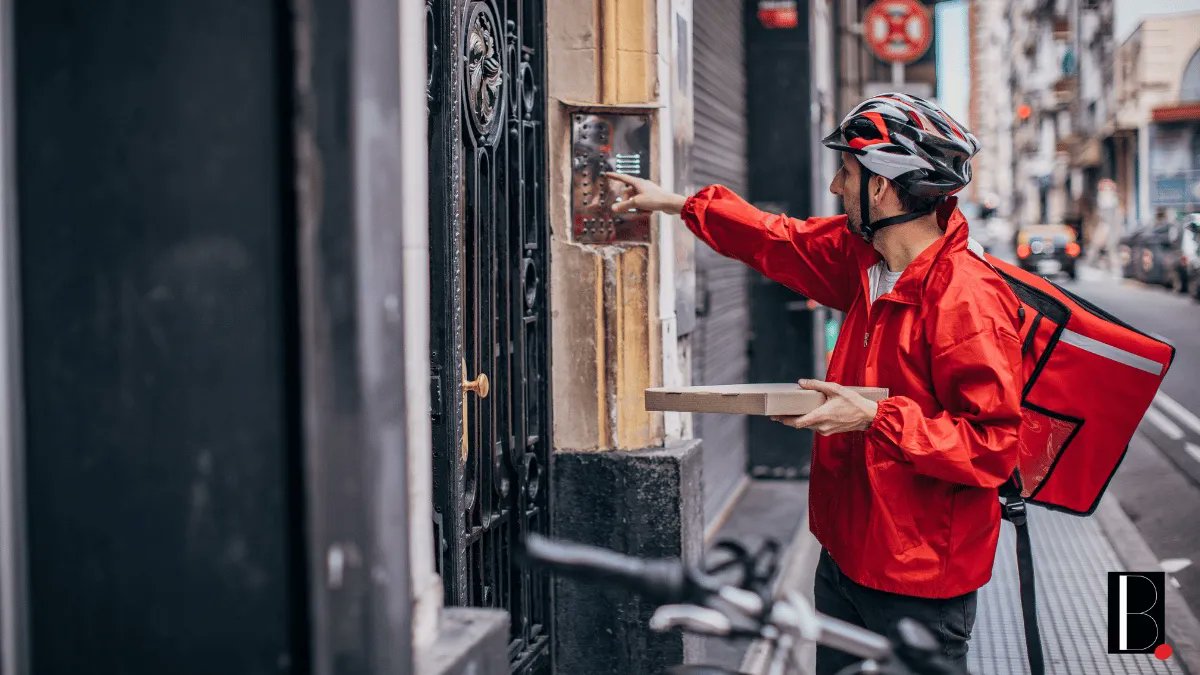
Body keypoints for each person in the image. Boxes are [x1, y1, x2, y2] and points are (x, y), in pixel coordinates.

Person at [607, 93, 1023, 674]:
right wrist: (676, 204)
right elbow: (778, 238)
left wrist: (874, 418)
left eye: (846, 173)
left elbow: (994, 445)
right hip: (846, 554)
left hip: (917, 578)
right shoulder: (865, 261)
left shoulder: (967, 300)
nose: (833, 187)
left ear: (881, 187)